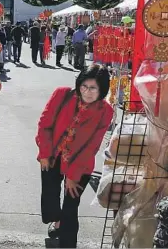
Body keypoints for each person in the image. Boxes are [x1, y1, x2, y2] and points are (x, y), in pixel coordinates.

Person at [36, 64, 113, 248]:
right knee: (50, 195)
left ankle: (68, 244)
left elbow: (92, 146)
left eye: (93, 88)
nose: (87, 92)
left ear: (101, 90)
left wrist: (73, 175)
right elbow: (44, 124)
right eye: (84, 86)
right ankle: (56, 220)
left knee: (71, 207)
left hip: (80, 164)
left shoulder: (106, 111)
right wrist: (44, 153)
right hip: (53, 155)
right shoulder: (62, 94)